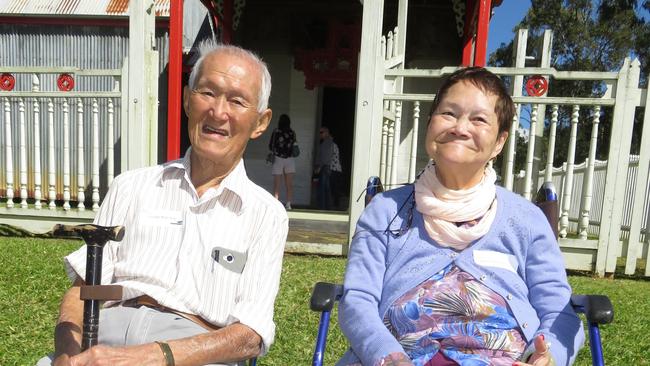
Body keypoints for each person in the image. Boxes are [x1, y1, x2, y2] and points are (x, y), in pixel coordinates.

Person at [39, 40, 288, 366]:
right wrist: (67, 355)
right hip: (102, 342)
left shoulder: (265, 215)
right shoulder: (131, 186)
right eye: (208, 93)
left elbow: (249, 335)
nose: (218, 111)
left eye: (237, 101)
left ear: (260, 122)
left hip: (193, 355)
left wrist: (154, 356)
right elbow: (82, 291)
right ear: (187, 99)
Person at [337, 67, 584, 366]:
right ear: (429, 125)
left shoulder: (526, 220)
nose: (460, 127)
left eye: (479, 119)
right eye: (449, 114)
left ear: (499, 142)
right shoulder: (385, 211)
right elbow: (358, 301)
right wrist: (388, 357)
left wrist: (549, 357)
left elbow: (559, 312)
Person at [268, 114, 297, 209]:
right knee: (289, 183)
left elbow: (270, 145)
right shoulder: (292, 132)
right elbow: (295, 145)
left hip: (278, 158)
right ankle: (288, 204)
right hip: (290, 159)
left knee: (277, 183)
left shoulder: (276, 131)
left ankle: (275, 203)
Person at [314, 126, 342, 210]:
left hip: (327, 168)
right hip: (333, 169)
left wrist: (319, 167)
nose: (320, 134)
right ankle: (328, 206)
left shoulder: (327, 143)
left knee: (324, 189)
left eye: (321, 132)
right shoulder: (330, 142)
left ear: (326, 133)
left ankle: (324, 207)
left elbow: (326, 157)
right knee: (329, 188)